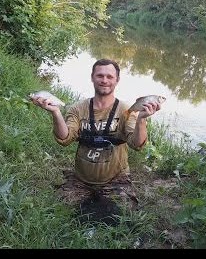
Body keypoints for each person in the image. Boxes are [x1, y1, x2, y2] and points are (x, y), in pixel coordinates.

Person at [31, 58, 161, 214]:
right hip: (82, 179)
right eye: (100, 76)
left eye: (109, 77)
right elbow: (64, 138)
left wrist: (141, 118)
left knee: (121, 211)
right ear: (92, 78)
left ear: (117, 80)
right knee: (63, 209)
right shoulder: (78, 108)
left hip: (116, 179)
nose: (104, 80)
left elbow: (137, 144)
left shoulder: (127, 110)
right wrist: (56, 113)